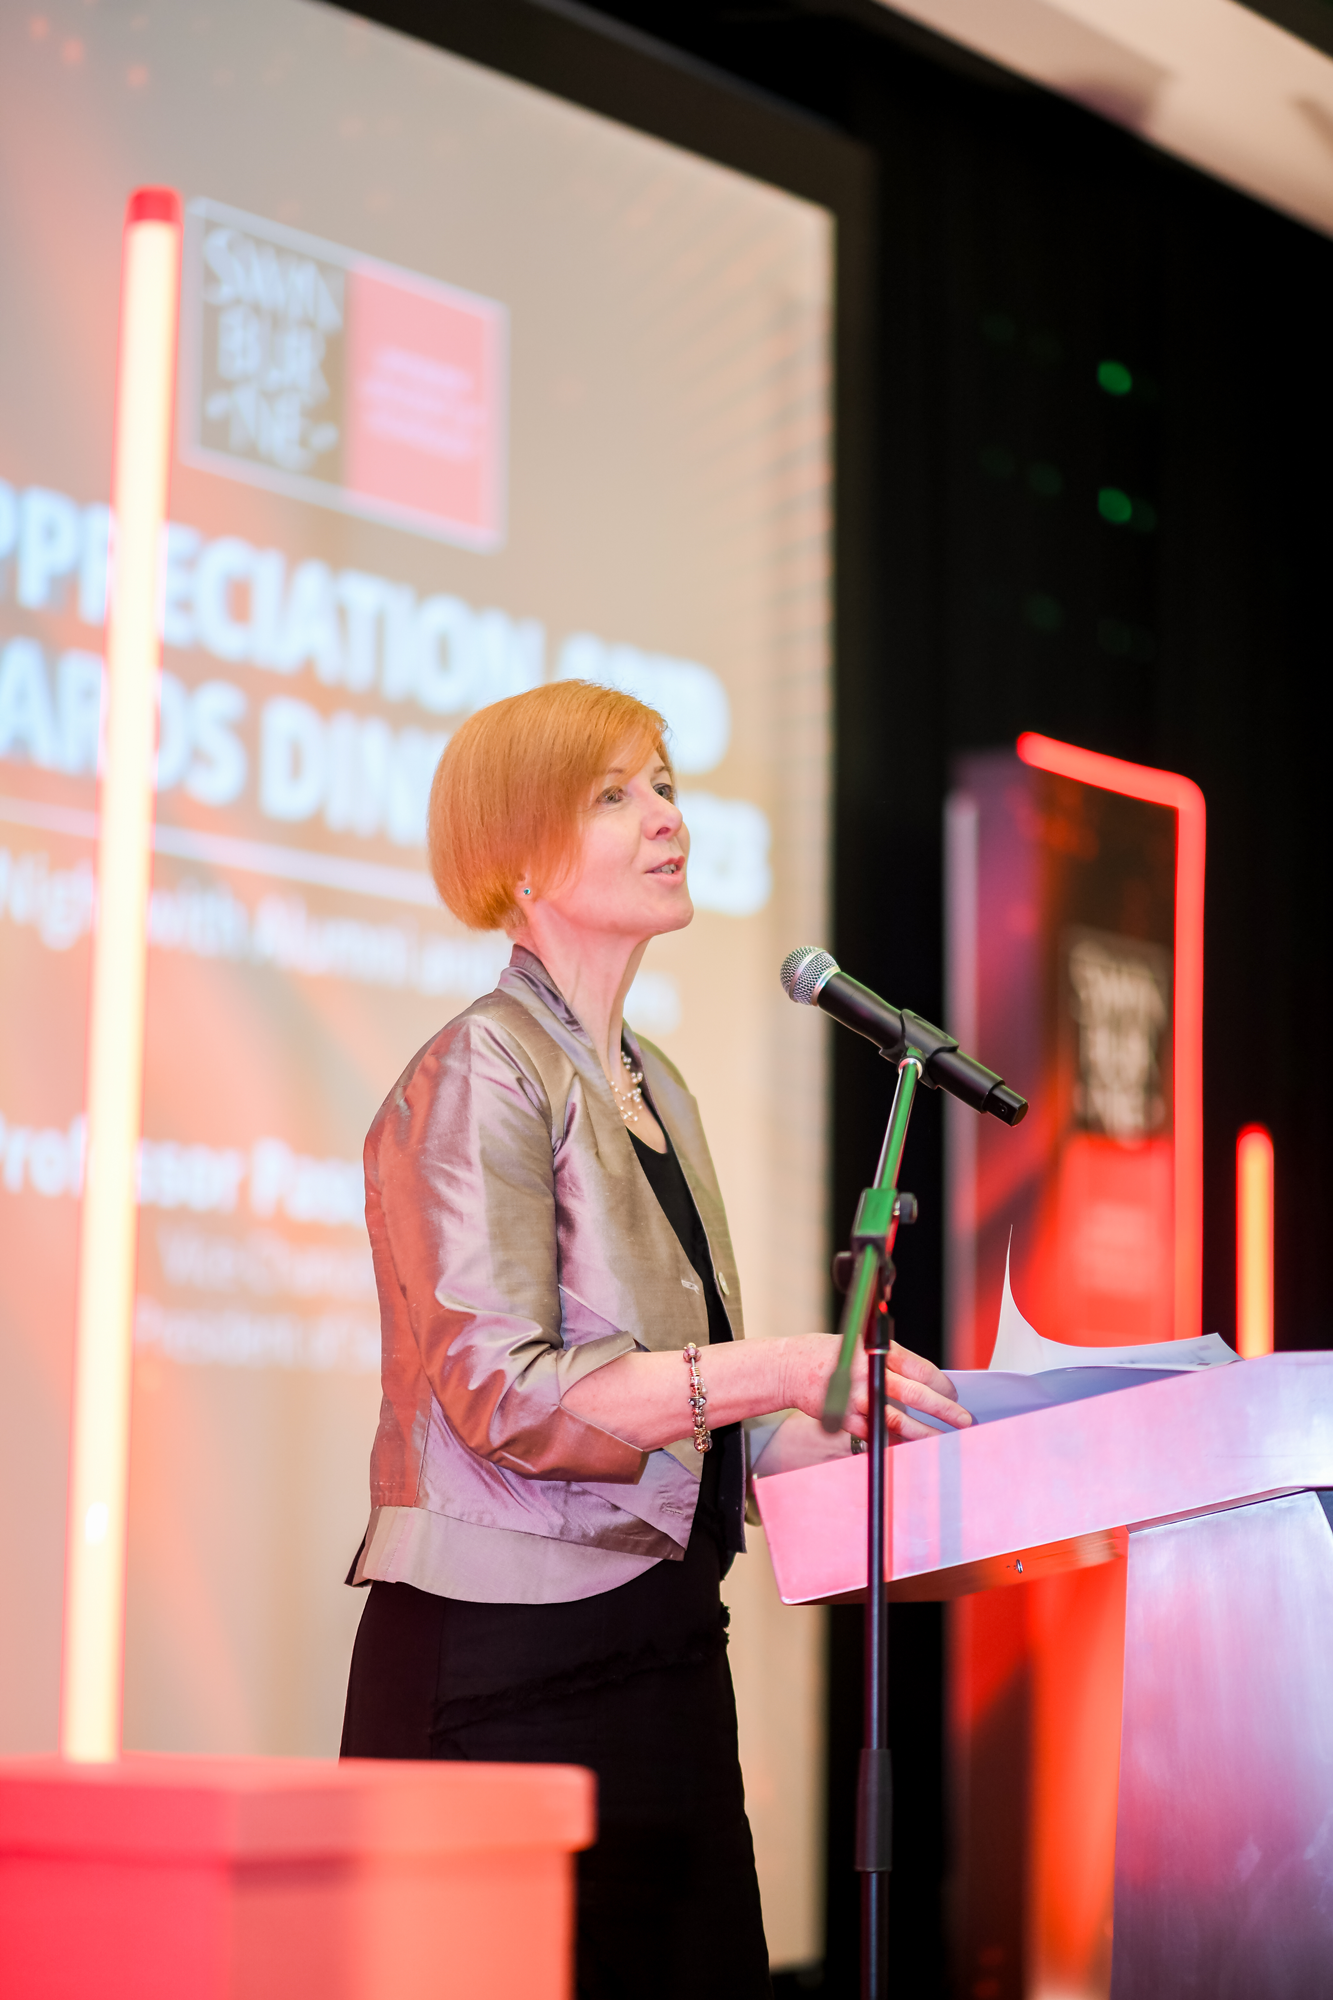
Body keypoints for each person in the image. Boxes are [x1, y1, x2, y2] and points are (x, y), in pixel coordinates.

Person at [339, 679, 971, 1999]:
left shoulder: (657, 1083)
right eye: (614, 795)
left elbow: (669, 1403)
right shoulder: (479, 1070)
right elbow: (505, 1397)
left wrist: (819, 1421)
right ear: (518, 855)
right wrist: (784, 1365)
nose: (667, 817)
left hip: (670, 1668)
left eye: (669, 784)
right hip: (500, 1683)